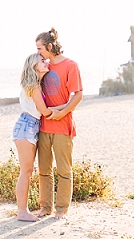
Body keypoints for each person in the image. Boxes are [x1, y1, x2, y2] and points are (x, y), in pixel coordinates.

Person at [35, 27, 83, 219]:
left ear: (49, 46)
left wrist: (62, 112)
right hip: (43, 125)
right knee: (44, 171)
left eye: (40, 48)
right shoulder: (42, 66)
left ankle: (61, 209)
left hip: (63, 126)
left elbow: (78, 94)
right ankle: (45, 207)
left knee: (64, 170)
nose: (38, 52)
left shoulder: (71, 65)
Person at [12, 53, 64, 222]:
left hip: (31, 127)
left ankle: (23, 210)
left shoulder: (36, 85)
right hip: (27, 126)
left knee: (27, 171)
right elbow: (45, 111)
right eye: (42, 61)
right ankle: (22, 211)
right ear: (35, 66)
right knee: (25, 172)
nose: (46, 62)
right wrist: (67, 107)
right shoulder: (34, 86)